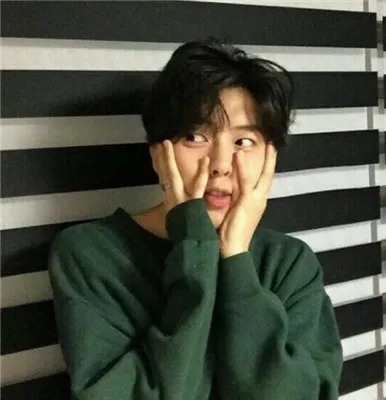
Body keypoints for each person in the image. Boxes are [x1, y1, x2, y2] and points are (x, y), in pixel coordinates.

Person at [48, 38, 343, 400]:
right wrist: (195, 244)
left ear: (270, 156)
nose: (220, 164)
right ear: (158, 155)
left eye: (244, 142)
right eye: (195, 136)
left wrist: (235, 258)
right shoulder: (91, 254)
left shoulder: (289, 263)